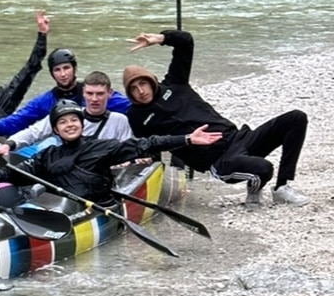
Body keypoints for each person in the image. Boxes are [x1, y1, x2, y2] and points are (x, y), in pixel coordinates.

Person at [123, 29, 310, 206]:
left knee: (296, 118)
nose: (140, 91)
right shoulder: (136, 116)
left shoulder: (175, 83)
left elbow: (186, 42)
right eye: (133, 89)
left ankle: (282, 187)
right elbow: (151, 146)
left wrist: (161, 39)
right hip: (218, 161)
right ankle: (254, 190)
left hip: (239, 138)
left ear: (151, 81)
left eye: (143, 84)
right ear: (130, 94)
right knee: (264, 168)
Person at [21, 100, 221, 205]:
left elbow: (147, 144)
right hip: (59, 210)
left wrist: (186, 139)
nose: (69, 125)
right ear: (55, 130)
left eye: (74, 120)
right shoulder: (46, 155)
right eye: (63, 122)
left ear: (81, 124)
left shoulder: (103, 147)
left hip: (95, 208)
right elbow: (14, 172)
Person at [0, 47, 128, 147]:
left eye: (66, 68)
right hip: (62, 148)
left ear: (74, 68)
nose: (63, 74)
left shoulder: (93, 92)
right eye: (57, 70)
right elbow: (18, 120)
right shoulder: (45, 101)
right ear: (52, 74)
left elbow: (133, 107)